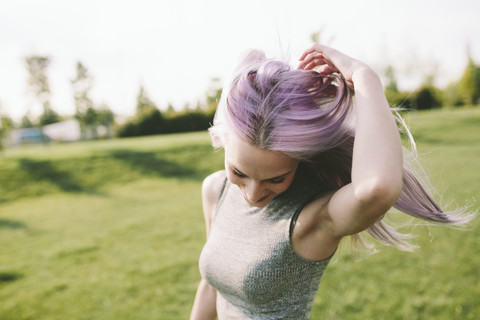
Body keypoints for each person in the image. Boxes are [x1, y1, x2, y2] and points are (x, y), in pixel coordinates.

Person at [189, 44, 472, 320]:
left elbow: (376, 188)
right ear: (223, 141)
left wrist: (364, 78)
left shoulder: (311, 219)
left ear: (300, 162)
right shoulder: (216, 190)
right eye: (239, 172)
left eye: (276, 178)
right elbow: (211, 285)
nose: (253, 193)